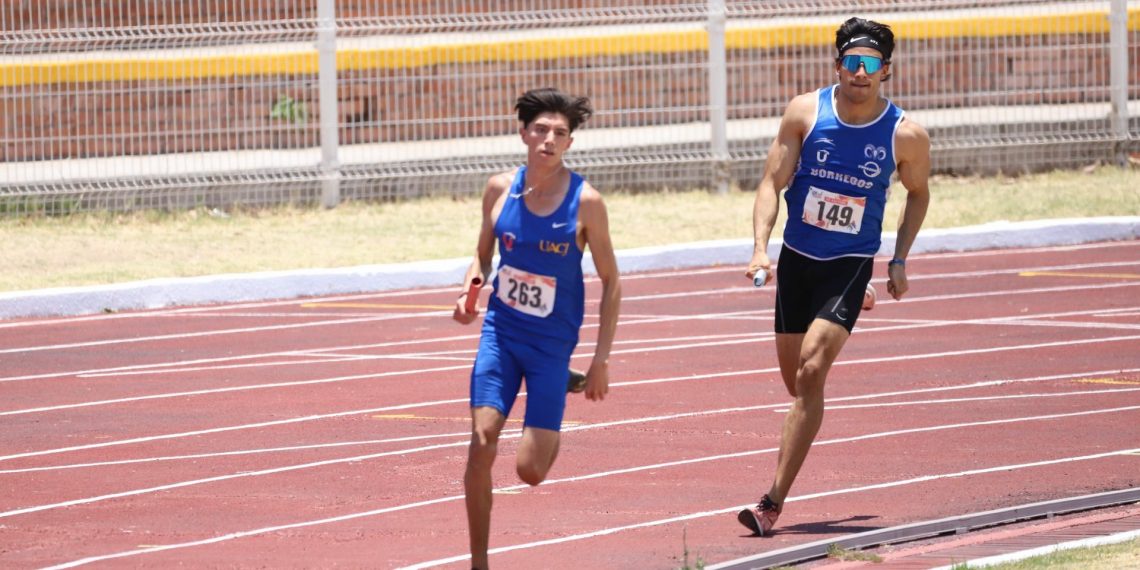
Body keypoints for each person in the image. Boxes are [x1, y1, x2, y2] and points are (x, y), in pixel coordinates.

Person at [739, 17, 930, 536]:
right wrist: (759, 249)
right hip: (798, 258)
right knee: (795, 385)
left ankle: (771, 503)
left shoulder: (905, 134)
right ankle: (848, 304)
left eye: (871, 63)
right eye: (852, 61)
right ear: (838, 65)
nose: (860, 72)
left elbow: (918, 193)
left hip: (849, 262)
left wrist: (898, 259)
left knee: (810, 372)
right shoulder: (806, 112)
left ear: (885, 71)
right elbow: (771, 182)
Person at [452, 87, 621, 569]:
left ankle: (559, 385)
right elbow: (482, 256)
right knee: (482, 440)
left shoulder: (586, 202)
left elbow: (612, 282)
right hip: (501, 334)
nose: (548, 139)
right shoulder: (498, 189)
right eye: (541, 129)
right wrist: (470, 289)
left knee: (530, 471)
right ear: (524, 133)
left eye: (559, 133)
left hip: (551, 345)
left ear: (569, 143)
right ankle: (479, 562)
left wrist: (601, 359)